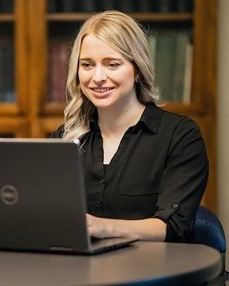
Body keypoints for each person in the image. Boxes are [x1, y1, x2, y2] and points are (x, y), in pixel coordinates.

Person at [50, 10, 209, 243]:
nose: (98, 77)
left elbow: (174, 226)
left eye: (112, 64)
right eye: (87, 64)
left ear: (137, 69)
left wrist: (103, 227)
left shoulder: (180, 136)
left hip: (150, 273)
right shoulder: (64, 138)